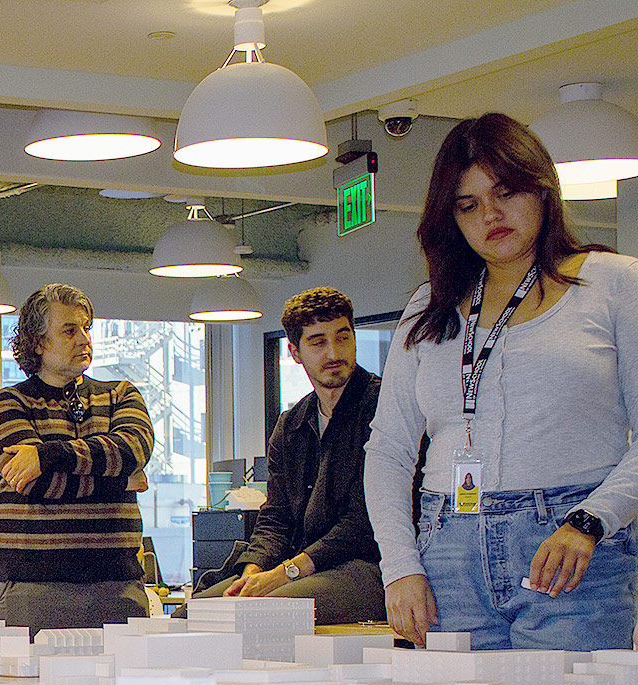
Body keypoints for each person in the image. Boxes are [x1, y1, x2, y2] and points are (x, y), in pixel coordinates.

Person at [364, 112, 638, 652]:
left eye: (506, 192)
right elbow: (389, 450)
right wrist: (398, 566)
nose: (490, 214)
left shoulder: (612, 284)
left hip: (570, 545)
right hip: (446, 550)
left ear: (542, 190)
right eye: (467, 205)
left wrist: (591, 521)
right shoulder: (429, 307)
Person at [185, 287, 386, 625]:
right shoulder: (291, 425)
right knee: (193, 614)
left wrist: (286, 572)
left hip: (368, 566)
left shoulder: (382, 408)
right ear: (295, 352)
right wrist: (253, 571)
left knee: (261, 614)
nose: (334, 352)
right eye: (318, 342)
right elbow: (275, 517)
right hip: (302, 566)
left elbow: (364, 521)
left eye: (343, 337)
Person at [0, 282, 154, 632]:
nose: (84, 339)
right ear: (39, 343)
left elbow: (134, 448)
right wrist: (120, 481)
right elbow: (38, 483)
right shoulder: (7, 403)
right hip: (33, 586)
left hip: (117, 583)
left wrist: (47, 455)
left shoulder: (120, 393)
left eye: (86, 328)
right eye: (69, 330)